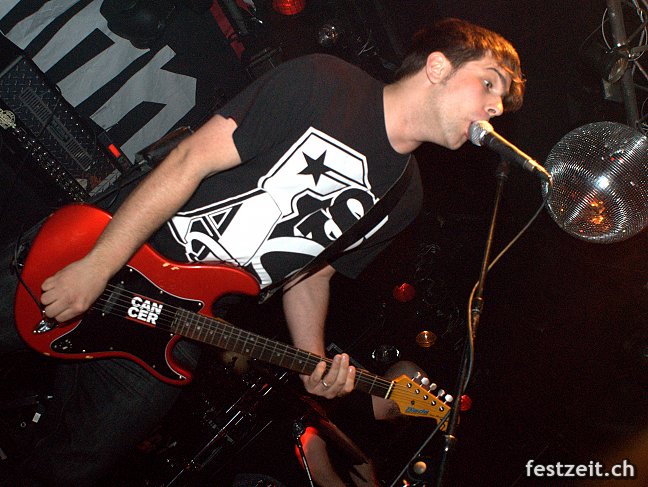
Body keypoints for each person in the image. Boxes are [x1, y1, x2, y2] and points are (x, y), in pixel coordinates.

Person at [0, 17, 524, 486]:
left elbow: (312, 275)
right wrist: (98, 265)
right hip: (114, 252)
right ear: (437, 66)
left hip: (176, 326)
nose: (496, 108)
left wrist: (313, 360)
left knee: (68, 467)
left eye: (501, 101)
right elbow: (190, 160)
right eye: (489, 83)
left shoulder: (405, 197)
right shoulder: (325, 81)